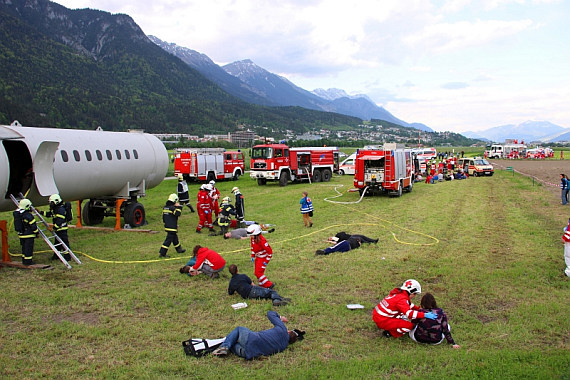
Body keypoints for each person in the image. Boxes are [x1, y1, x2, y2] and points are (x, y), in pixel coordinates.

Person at [211, 310, 304, 359]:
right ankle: (227, 347)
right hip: (247, 353)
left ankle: (225, 347)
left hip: (251, 339)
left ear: (289, 331)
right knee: (234, 344)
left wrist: (280, 318)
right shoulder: (284, 346)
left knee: (239, 329)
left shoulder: (282, 329)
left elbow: (270, 313)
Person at [372, 279, 437, 338]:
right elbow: (409, 314)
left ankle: (391, 326)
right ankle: (391, 333)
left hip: (379, 317)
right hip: (383, 320)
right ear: (411, 291)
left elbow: (408, 305)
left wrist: (417, 309)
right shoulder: (402, 299)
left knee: (403, 317)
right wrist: (424, 314)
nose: (414, 296)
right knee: (409, 326)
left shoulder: (398, 294)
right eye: (414, 294)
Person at [43, 194, 72, 261]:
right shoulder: (56, 209)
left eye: (52, 202)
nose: (51, 204)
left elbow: (60, 220)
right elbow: (49, 214)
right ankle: (56, 255)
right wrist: (40, 212)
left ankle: (67, 257)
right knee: (57, 243)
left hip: (62, 229)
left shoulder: (60, 210)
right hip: (58, 229)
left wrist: (53, 228)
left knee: (64, 243)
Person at [159, 194, 186, 258]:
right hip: (172, 227)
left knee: (175, 238)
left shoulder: (165, 207)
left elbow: (164, 217)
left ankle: (179, 249)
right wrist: (179, 206)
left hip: (167, 226)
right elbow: (178, 214)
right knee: (168, 240)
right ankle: (162, 253)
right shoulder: (172, 208)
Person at [248, 224, 274, 288]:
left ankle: (269, 284)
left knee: (258, 273)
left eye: (252, 235)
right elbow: (252, 247)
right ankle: (262, 284)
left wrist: (265, 262)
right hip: (258, 257)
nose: (251, 236)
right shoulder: (253, 239)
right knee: (257, 272)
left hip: (263, 258)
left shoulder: (262, 241)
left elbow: (270, 252)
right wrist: (252, 255)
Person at [14, 198, 39, 265]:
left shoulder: (18, 214)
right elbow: (33, 226)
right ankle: (28, 261)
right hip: (29, 235)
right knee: (28, 248)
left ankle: (24, 260)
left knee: (24, 248)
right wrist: (36, 232)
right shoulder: (28, 215)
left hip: (21, 234)